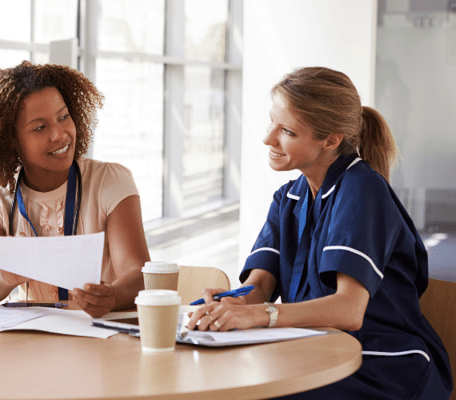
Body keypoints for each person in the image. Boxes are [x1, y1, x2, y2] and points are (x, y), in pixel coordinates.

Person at [187, 67, 452, 399]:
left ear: (331, 140)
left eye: (287, 131)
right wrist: (229, 306)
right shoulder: (289, 198)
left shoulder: (362, 190)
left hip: (381, 362)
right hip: (314, 352)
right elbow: (258, 289)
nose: (268, 138)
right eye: (272, 122)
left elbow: (349, 310)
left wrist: (257, 315)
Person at [0, 61, 150, 318]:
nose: (59, 135)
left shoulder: (110, 181)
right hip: (35, 340)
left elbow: (139, 273)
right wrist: (5, 277)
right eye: (40, 127)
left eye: (63, 117)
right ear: (11, 140)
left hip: (101, 336)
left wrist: (111, 296)